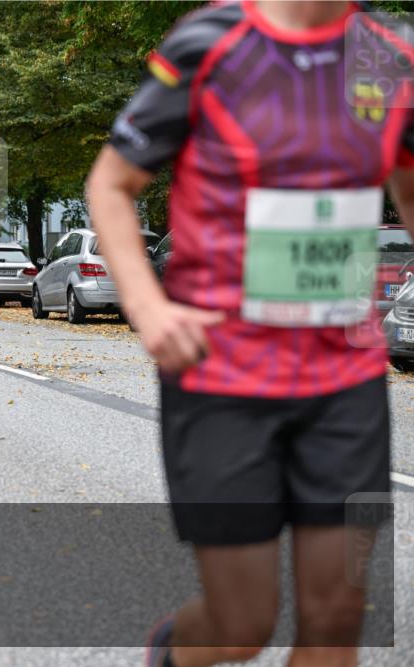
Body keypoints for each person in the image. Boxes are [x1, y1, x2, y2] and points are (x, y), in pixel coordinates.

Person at [85, 3, 414, 667]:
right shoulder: (212, 45)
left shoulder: (390, 53)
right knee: (242, 625)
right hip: (222, 378)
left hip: (344, 381)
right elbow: (111, 183)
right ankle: (170, 653)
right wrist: (148, 309)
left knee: (336, 615)